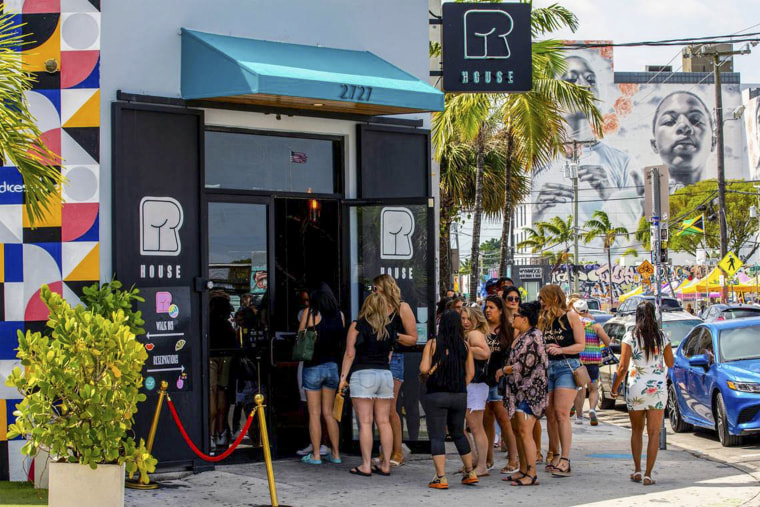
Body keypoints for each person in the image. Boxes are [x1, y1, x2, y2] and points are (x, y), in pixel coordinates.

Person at [339, 293, 416, 477]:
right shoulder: (390, 328)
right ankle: (386, 465)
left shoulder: (358, 326)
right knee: (383, 422)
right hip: (385, 375)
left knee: (365, 423)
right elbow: (390, 354)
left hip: (363, 374)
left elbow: (350, 353)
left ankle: (366, 465)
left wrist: (343, 377)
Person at [611, 301, 674, 486]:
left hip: (636, 387)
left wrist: (615, 387)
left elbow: (622, 367)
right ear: (654, 316)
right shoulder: (662, 337)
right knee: (654, 433)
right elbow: (670, 363)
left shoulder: (630, 337)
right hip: (657, 388)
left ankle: (637, 470)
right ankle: (648, 475)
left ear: (636, 316)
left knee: (636, 431)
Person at [420, 310, 478, 489]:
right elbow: (471, 373)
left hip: (436, 395)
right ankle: (470, 472)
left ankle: (441, 477)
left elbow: (424, 369)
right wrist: (459, 385)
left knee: (437, 436)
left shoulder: (432, 344)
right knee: (458, 432)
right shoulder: (465, 345)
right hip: (459, 395)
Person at [496, 301, 548, 486]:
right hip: (518, 391)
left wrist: (504, 370)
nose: (513, 317)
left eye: (516, 315)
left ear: (524, 319)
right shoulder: (523, 335)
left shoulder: (534, 336)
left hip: (530, 391)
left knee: (525, 432)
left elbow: (526, 364)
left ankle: (531, 473)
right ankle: (524, 468)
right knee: (518, 431)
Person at [539, 284, 585, 477]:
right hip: (547, 367)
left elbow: (580, 345)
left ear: (553, 298)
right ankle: (555, 453)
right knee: (550, 414)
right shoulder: (543, 320)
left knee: (561, 413)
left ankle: (565, 459)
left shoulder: (571, 317)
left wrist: (561, 349)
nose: (540, 302)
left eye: (543, 298)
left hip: (567, 367)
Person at [372, 274, 418, 468]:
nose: (373, 291)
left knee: (390, 409)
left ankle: (397, 451)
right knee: (378, 410)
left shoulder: (402, 308)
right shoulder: (374, 308)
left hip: (395, 359)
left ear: (384, 287)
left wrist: (394, 335)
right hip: (375, 359)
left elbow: (413, 338)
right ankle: (386, 451)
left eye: (375, 288)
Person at [298, 283, 345, 465]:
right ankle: (336, 453)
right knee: (329, 413)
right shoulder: (339, 315)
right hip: (332, 367)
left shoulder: (310, 313)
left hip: (313, 366)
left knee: (314, 414)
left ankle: (316, 455)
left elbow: (300, 337)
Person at [483, 295, 519, 474]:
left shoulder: (508, 329)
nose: (488, 310)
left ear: (499, 310)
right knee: (486, 420)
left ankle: (513, 458)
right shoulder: (481, 328)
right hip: (483, 378)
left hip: (501, 379)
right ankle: (488, 458)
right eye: (486, 307)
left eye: (491, 307)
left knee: (504, 419)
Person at [650, 91, 715, 190]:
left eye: (695, 120)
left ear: (713, 142)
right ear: (654, 145)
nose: (683, 126)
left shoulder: (726, 197)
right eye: (669, 121)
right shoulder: (632, 200)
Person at [570, 299, 611, 426]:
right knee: (593, 388)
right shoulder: (596, 325)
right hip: (593, 362)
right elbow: (608, 341)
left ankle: (580, 416)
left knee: (581, 388)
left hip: (579, 362)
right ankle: (593, 409)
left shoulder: (574, 325)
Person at [461, 306, 491, 477]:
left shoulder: (474, 334)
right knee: (462, 426)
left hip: (475, 384)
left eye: (468, 318)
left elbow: (484, 353)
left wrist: (463, 348)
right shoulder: (469, 334)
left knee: (475, 427)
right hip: (472, 385)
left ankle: (481, 465)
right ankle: (472, 461)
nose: (465, 322)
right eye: (463, 318)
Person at [209, 291, 238, 449]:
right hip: (226, 357)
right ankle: (221, 432)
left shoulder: (207, 322)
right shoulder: (227, 326)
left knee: (211, 393)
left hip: (211, 357)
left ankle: (210, 434)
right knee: (222, 392)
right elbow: (235, 346)